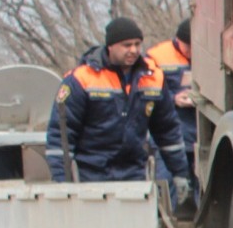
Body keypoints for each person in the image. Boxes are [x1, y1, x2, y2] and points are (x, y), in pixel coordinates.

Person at [47, 16, 194, 194]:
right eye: (127, 45)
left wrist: (179, 173)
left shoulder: (153, 78)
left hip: (134, 173)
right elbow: (61, 134)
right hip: (90, 175)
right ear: (110, 46)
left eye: (137, 44)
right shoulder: (81, 80)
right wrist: (62, 182)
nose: (133, 50)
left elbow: (167, 130)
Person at [146, 17, 198, 180]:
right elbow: (146, 90)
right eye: (187, 46)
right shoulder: (156, 56)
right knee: (166, 183)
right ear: (178, 40)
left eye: (194, 46)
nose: (191, 51)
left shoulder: (208, 53)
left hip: (198, 134)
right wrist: (173, 99)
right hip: (169, 133)